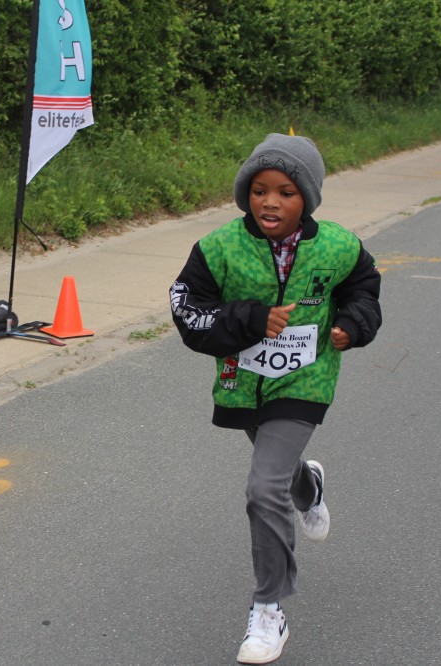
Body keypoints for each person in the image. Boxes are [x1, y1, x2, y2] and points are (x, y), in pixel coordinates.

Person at [169, 133, 381, 664]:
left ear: (307, 198)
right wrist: (250, 319)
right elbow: (188, 312)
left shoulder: (339, 247)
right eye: (259, 190)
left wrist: (353, 324)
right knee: (278, 470)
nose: (270, 202)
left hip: (306, 380)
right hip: (243, 381)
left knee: (263, 488)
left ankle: (269, 610)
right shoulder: (218, 248)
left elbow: (363, 289)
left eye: (286, 192)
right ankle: (309, 486)